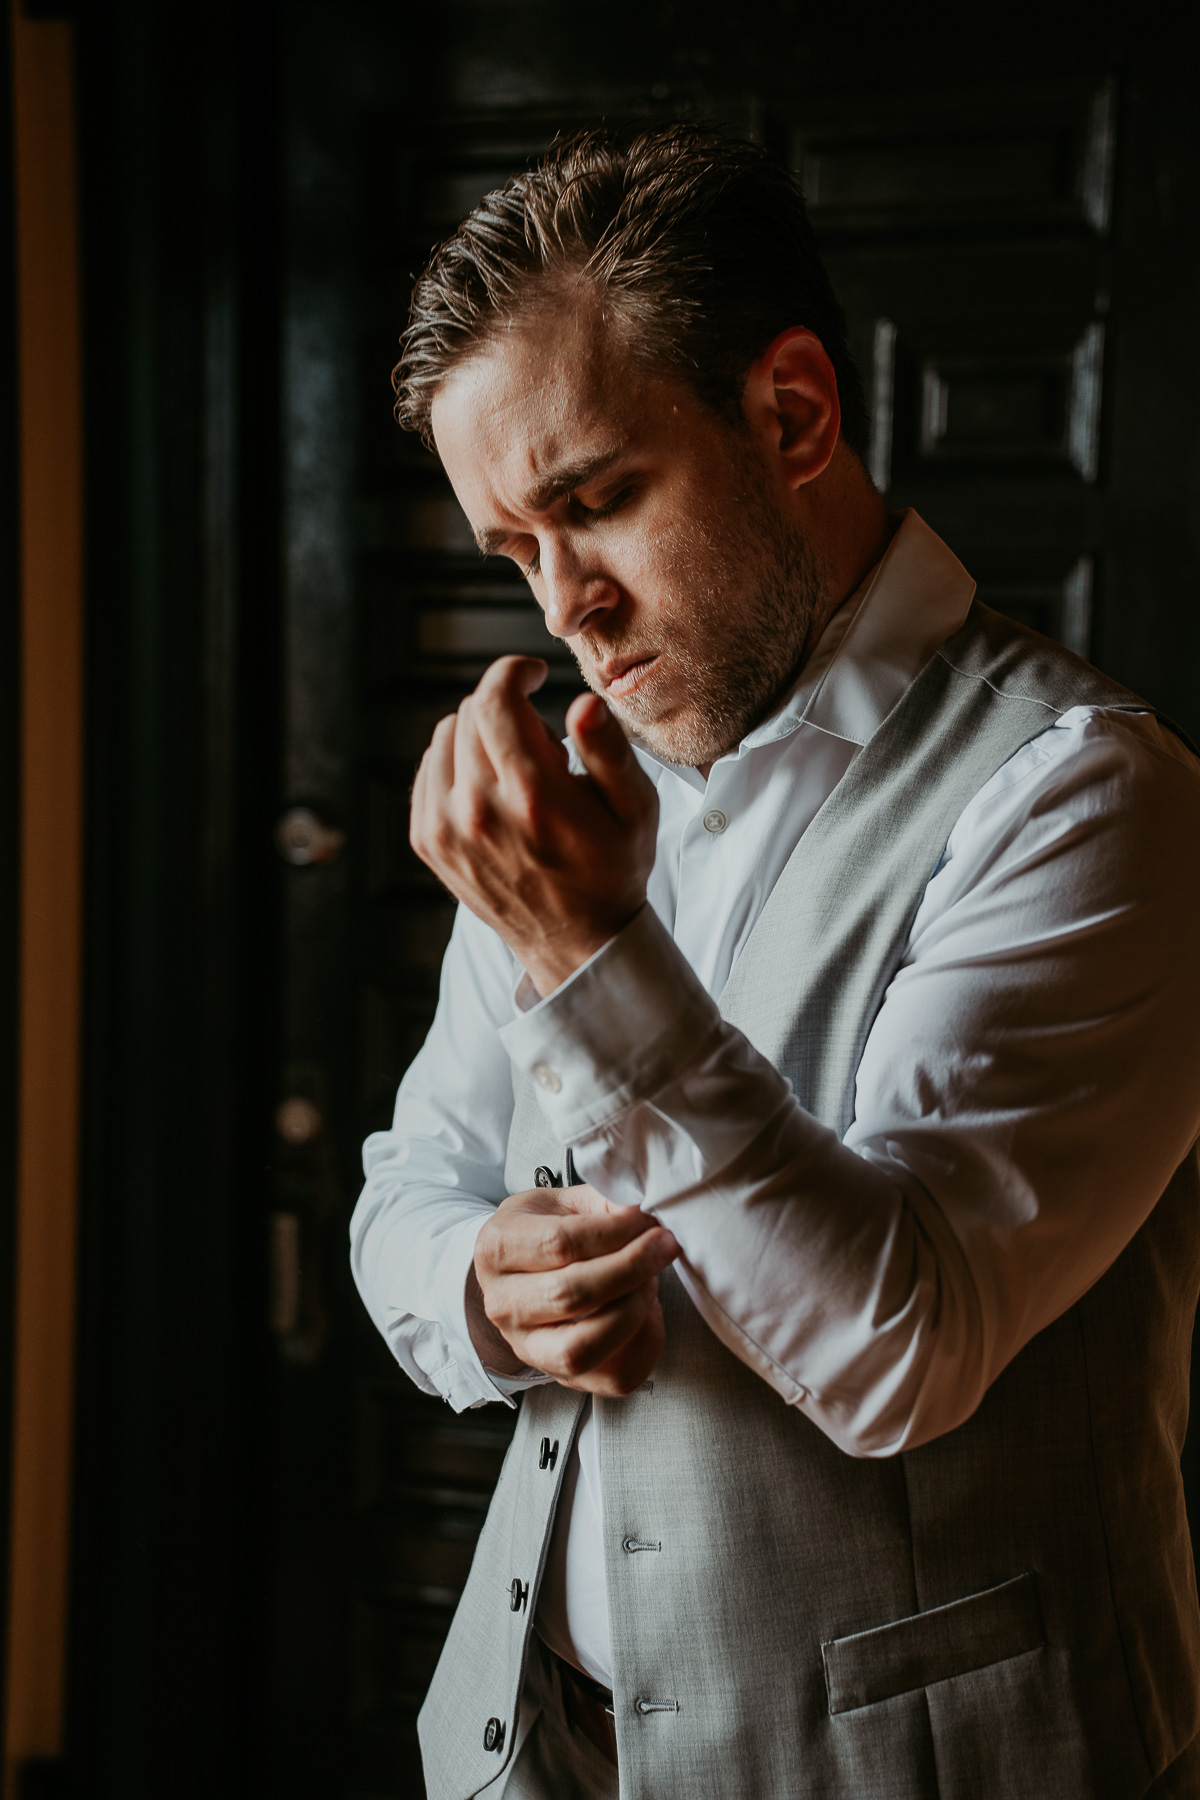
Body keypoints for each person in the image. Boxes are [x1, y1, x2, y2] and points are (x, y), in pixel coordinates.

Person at [350, 123, 1200, 1799]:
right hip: (541, 1752)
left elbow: (907, 1346)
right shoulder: (584, 781)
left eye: (594, 504)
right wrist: (481, 1289)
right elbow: (408, 1188)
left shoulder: (1091, 797)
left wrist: (589, 950)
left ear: (792, 414)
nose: (564, 609)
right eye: (514, 551)